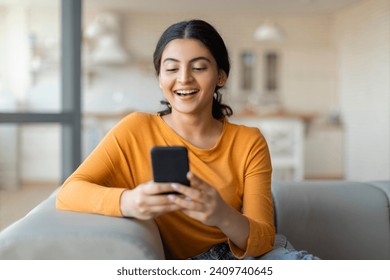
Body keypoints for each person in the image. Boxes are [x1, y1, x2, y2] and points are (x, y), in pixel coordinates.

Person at [56, 19, 318, 260]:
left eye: (199, 67)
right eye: (171, 68)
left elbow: (263, 240)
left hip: (252, 259)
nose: (184, 78)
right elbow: (68, 193)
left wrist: (221, 215)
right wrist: (130, 201)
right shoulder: (134, 129)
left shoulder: (249, 141)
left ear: (220, 76)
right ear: (160, 78)